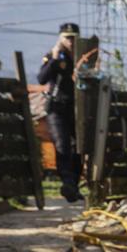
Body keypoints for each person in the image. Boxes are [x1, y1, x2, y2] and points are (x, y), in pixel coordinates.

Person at [38, 22, 83, 203]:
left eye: (73, 38)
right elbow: (42, 78)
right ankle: (67, 183)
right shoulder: (54, 56)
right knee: (62, 145)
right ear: (60, 38)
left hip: (78, 108)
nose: (71, 41)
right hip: (57, 108)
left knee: (79, 147)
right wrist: (55, 59)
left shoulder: (82, 56)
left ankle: (74, 184)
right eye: (67, 38)